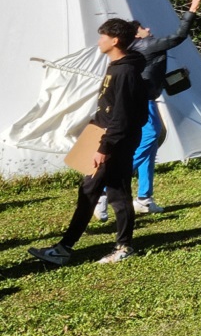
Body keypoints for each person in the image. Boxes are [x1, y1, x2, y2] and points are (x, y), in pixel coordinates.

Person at [29, 19, 147, 266]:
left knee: (111, 193)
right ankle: (67, 247)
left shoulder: (125, 72)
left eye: (102, 36)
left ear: (115, 41)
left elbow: (122, 115)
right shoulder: (116, 66)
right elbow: (109, 108)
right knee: (99, 191)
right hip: (105, 137)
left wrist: (105, 147)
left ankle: (120, 247)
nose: (99, 41)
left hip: (114, 142)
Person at [94, 0, 201, 220]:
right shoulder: (147, 44)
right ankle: (104, 188)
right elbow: (177, 37)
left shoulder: (136, 50)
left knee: (150, 145)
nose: (149, 30)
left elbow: (148, 74)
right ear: (136, 35)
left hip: (145, 99)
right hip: (143, 103)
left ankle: (144, 198)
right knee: (150, 137)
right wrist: (192, 9)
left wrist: (171, 77)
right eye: (144, 28)